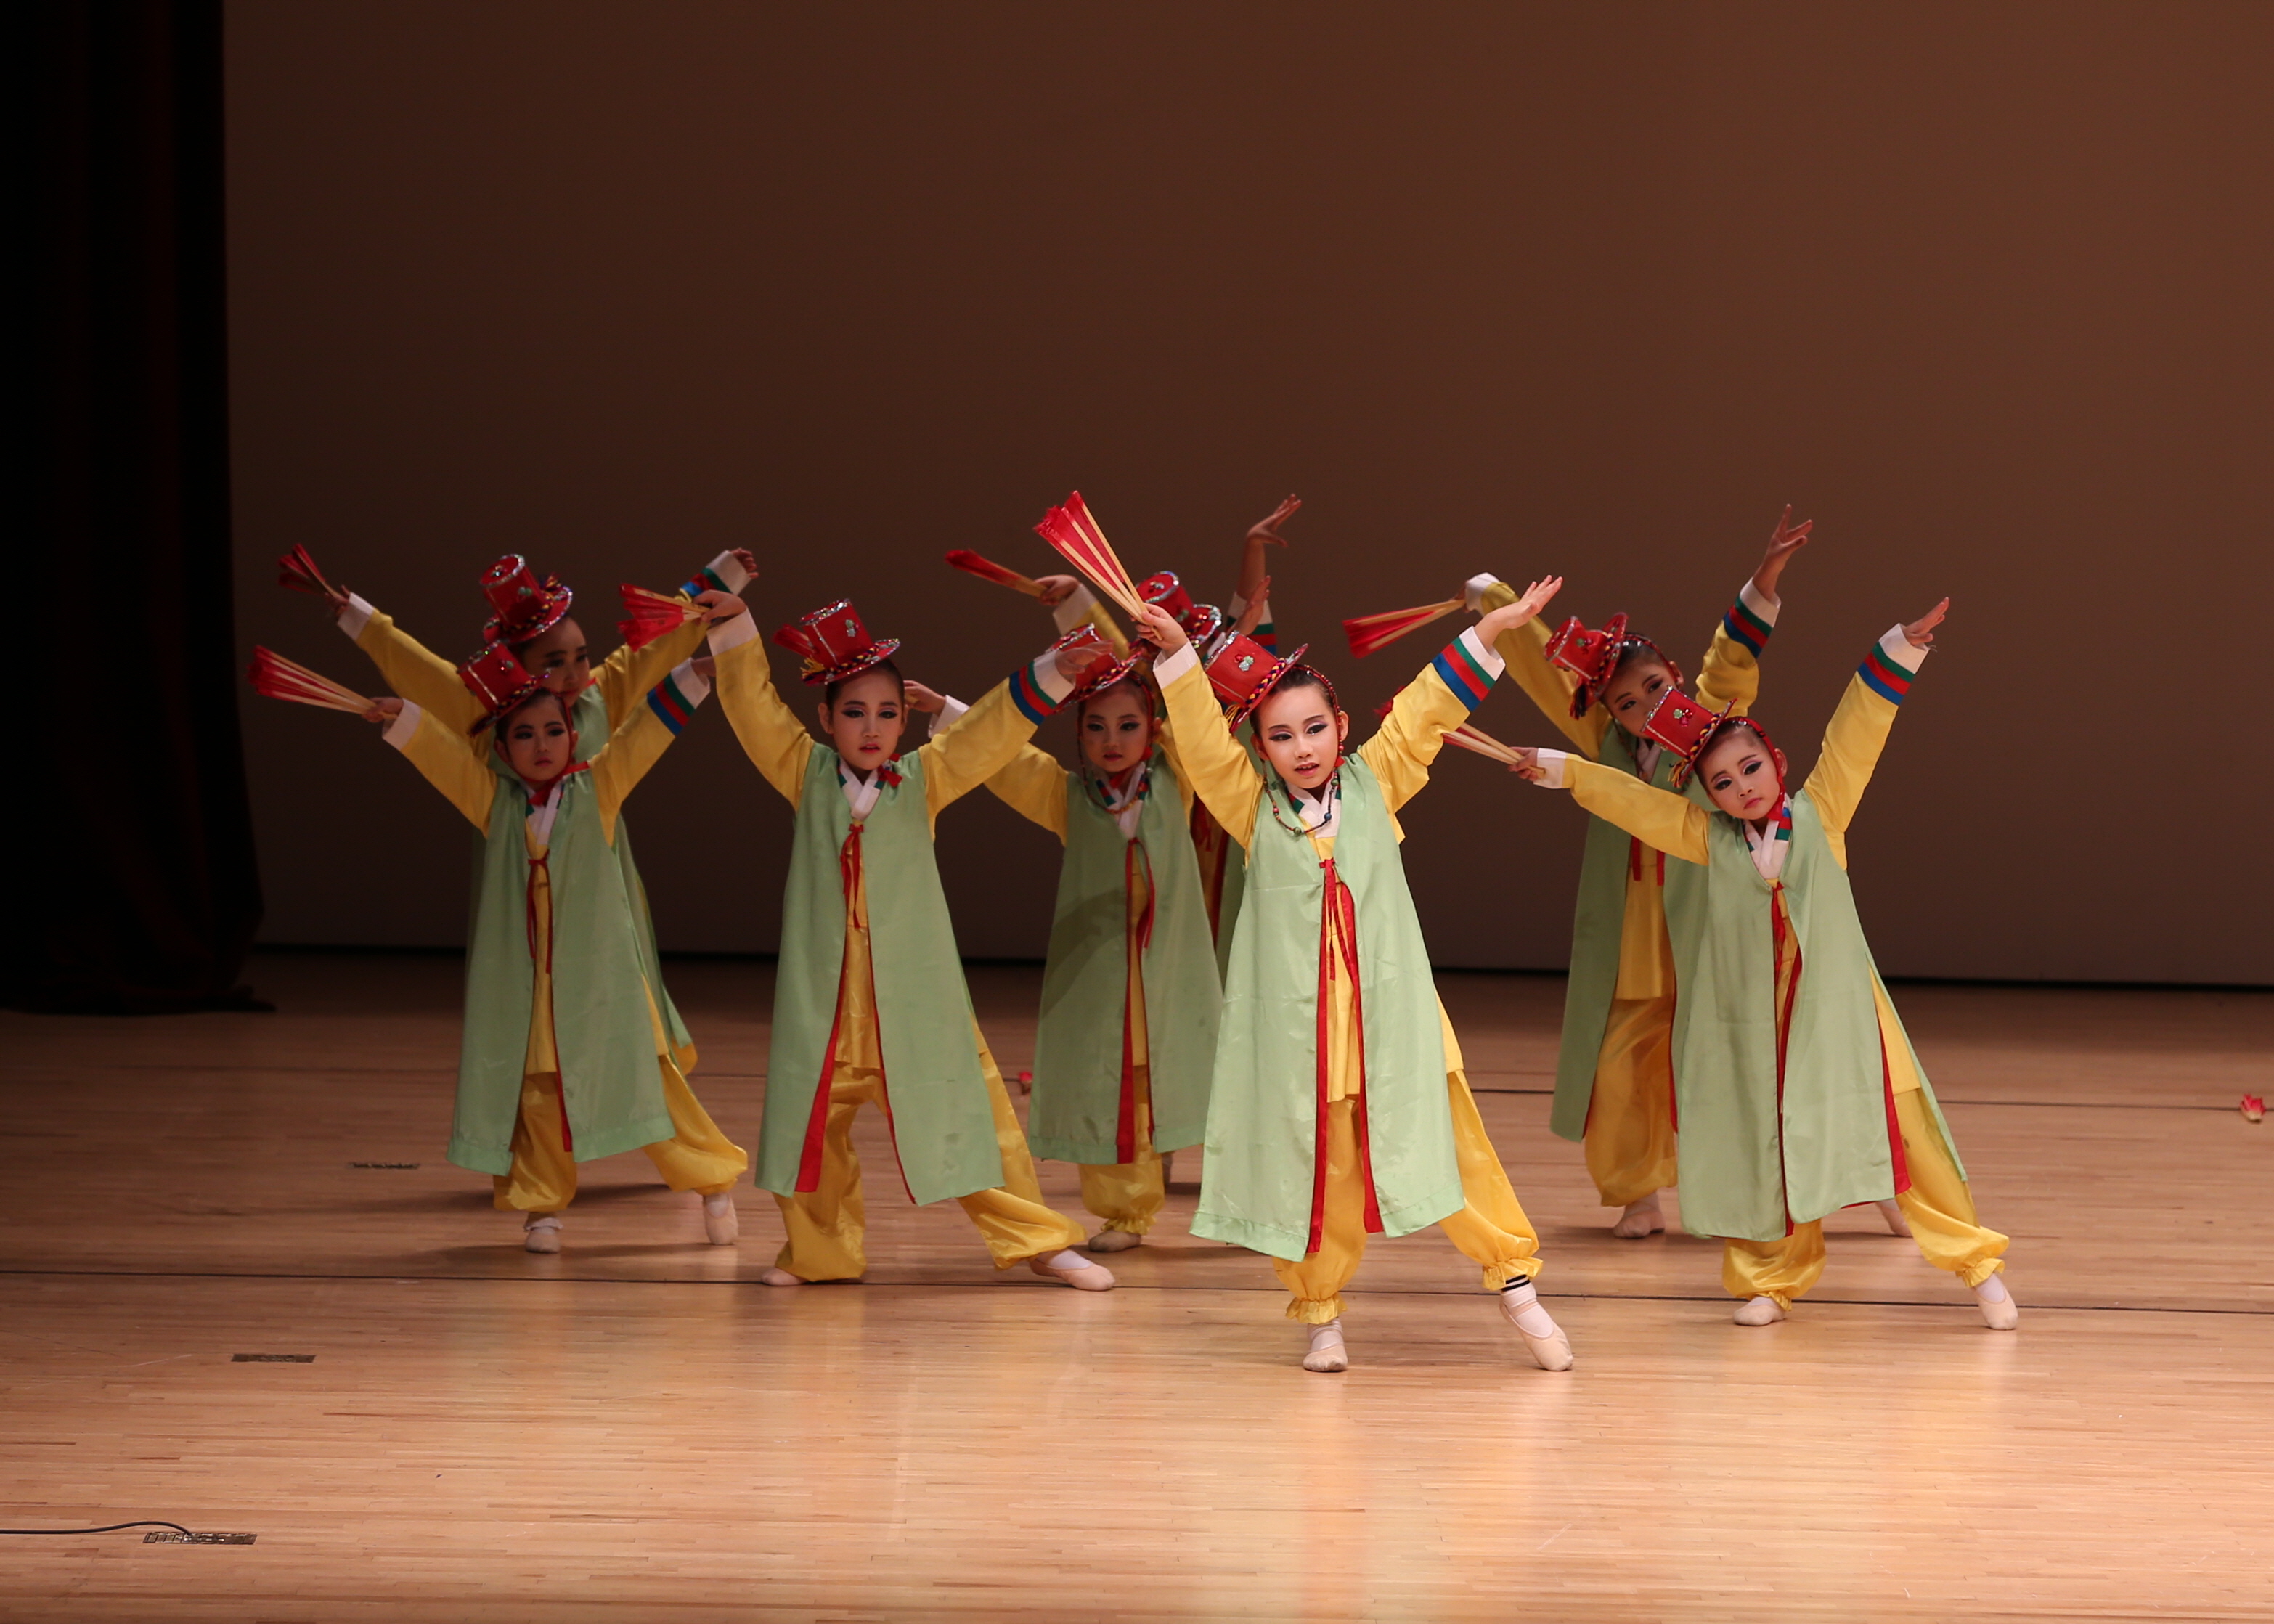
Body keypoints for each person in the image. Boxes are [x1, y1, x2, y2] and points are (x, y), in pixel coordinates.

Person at [1507, 600, 2018, 1329]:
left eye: (1750, 767)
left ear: (1774, 761)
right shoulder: (1704, 838)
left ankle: (1979, 1267)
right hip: (1757, 1028)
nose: (1743, 786)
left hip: (1843, 1016)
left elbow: (1856, 734)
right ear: (1707, 796)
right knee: (1764, 1143)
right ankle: (1770, 1277)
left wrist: (1899, 649)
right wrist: (1563, 771)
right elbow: (1628, 801)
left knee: (1910, 1135)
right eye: (1722, 782)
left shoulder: (1819, 812)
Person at [1138, 579, 1578, 1374]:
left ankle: (1517, 1287)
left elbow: (1425, 709)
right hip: (1306, 1034)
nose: (1302, 747)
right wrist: (1175, 657)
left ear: (1341, 727)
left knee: (1458, 1150)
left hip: (1394, 1021)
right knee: (1322, 1170)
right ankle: (1320, 1312)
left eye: (1314, 728)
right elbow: (1201, 744)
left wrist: (1497, 632)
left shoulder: (1377, 782)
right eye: (1281, 736)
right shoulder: (1250, 804)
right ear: (1260, 747)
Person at [1464, 513, 1910, 1241]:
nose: (1642, 710)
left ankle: (1865, 1175)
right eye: (1625, 702)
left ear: (1674, 678)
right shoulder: (1602, 741)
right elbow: (1549, 674)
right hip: (1634, 931)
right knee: (1623, 1064)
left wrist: (1764, 579)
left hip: (1715, 922)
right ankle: (1638, 1191)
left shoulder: (1703, 727)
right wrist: (1492, 600)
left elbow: (1732, 660)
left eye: (1652, 688)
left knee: (1782, 1051)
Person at [706, 595, 1114, 1290]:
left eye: (889, 712)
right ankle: (819, 1253)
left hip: (913, 999)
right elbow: (752, 705)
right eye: (856, 712)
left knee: (971, 1120)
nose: (873, 728)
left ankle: (1041, 1240)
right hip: (827, 1002)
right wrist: (734, 626)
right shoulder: (805, 774)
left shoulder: (921, 778)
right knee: (812, 1134)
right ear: (826, 718)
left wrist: (1050, 674)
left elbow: (986, 733)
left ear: (905, 717)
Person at [351, 619, 749, 1253]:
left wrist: (693, 676)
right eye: (526, 735)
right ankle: (540, 1207)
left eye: (555, 731)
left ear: (574, 735)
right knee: (538, 1091)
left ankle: (714, 1182)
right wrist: (405, 722)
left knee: (651, 1089)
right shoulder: (495, 802)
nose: (543, 745)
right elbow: (445, 759)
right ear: (503, 749)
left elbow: (645, 734)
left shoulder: (600, 787)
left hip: (604, 980)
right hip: (532, 987)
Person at [297, 548, 751, 1075]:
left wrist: (724, 577)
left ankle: (629, 1064)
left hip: (598, 873)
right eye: (554, 663)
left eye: (581, 656)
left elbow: (656, 643)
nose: (576, 672)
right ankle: (535, 1073)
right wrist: (358, 617)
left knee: (614, 978)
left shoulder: (601, 696)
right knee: (532, 988)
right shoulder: (486, 717)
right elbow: (420, 670)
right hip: (523, 875)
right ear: (516, 667)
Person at [982, 629, 1221, 1252]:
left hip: (1170, 969)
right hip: (1101, 977)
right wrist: (952, 716)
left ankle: (1246, 1205)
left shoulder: (1177, 780)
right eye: (1097, 727)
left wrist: (1170, 657)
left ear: (1153, 728)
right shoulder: (1070, 795)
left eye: (1128, 724)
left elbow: (1199, 726)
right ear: (1079, 733)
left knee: (1211, 1087)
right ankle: (1126, 1213)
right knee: (1111, 1088)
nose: (1113, 741)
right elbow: (1004, 761)